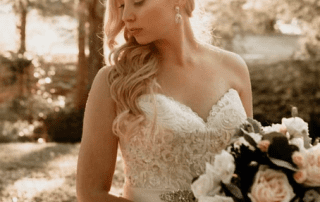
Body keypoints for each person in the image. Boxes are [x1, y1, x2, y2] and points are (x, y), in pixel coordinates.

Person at [76, 0, 253, 201]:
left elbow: (250, 167)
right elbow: (90, 193)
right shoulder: (114, 81)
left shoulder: (234, 67)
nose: (126, 16)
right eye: (122, 6)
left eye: (137, 2)